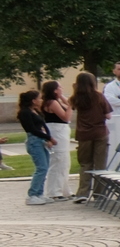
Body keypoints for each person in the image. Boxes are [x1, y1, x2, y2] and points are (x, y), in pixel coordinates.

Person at [70, 73, 111, 201]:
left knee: (85, 164)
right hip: (100, 132)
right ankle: (99, 194)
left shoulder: (76, 98)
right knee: (100, 164)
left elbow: (69, 106)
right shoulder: (99, 96)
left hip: (83, 133)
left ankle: (82, 193)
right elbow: (108, 115)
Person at [19, 90, 55, 205]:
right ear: (33, 100)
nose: (41, 100)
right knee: (41, 168)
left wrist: (47, 138)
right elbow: (32, 129)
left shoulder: (35, 111)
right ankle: (32, 195)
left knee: (45, 167)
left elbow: (43, 125)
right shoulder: (24, 113)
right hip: (34, 141)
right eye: (39, 98)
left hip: (41, 140)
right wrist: (49, 137)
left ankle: (39, 193)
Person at [40, 80, 73, 199]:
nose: (62, 88)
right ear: (54, 90)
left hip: (62, 132)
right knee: (58, 161)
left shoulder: (56, 100)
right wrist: (70, 107)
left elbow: (69, 103)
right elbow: (65, 117)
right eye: (59, 87)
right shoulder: (52, 102)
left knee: (65, 162)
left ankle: (64, 189)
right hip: (57, 131)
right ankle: (54, 191)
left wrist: (64, 99)